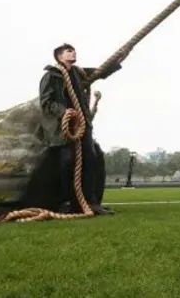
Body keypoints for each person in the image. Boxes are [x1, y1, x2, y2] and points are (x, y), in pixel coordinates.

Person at [39, 43, 128, 216]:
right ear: (59, 56)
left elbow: (101, 72)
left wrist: (118, 61)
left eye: (74, 50)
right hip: (62, 128)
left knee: (90, 159)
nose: (73, 53)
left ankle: (91, 202)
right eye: (69, 51)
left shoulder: (79, 73)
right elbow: (46, 102)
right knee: (67, 162)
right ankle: (66, 201)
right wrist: (65, 111)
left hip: (82, 124)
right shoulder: (51, 76)